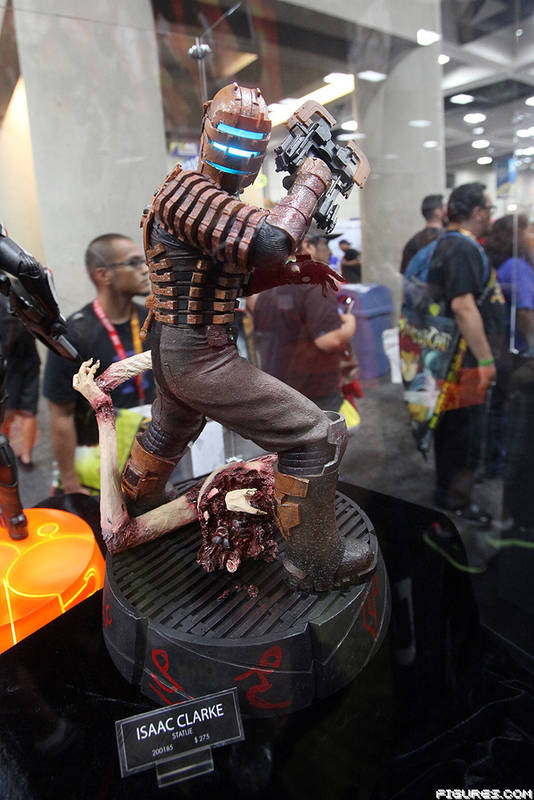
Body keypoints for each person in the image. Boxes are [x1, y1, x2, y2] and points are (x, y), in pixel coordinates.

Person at [119, 83, 375, 592]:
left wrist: (291, 273)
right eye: (231, 140)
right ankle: (315, 562)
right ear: (206, 133)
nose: (238, 156)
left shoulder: (204, 199)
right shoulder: (188, 192)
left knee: (168, 431)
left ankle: (135, 515)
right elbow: (272, 241)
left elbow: (223, 281)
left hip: (183, 350)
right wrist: (315, 174)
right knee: (316, 436)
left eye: (249, 145)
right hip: (198, 357)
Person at [43, 234, 154, 495]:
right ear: (103, 275)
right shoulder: (73, 335)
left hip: (151, 453)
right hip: (101, 457)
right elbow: (61, 415)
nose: (145, 269)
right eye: (134, 262)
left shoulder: (151, 320)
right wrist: (71, 482)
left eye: (144, 261)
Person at [427, 182, 505, 525]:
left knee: (455, 429)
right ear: (477, 212)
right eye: (489, 209)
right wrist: (486, 359)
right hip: (465, 360)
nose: (490, 216)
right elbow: (462, 305)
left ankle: (450, 490)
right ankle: (456, 500)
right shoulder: (461, 247)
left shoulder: (450, 243)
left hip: (453, 358)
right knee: (464, 433)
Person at [252, 228, 356, 414]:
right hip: (314, 394)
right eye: (325, 244)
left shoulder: (270, 282)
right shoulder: (315, 282)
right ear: (307, 244)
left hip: (280, 389)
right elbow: (328, 340)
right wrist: (350, 324)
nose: (329, 252)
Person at [0, 301, 40, 471]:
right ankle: (26, 458)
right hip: (30, 359)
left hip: (8, 364)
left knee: (5, 414)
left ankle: (4, 458)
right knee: (28, 412)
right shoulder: (24, 292)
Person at [400, 193, 445, 274]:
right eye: (446, 207)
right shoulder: (449, 240)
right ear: (438, 212)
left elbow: (405, 273)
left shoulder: (413, 242)